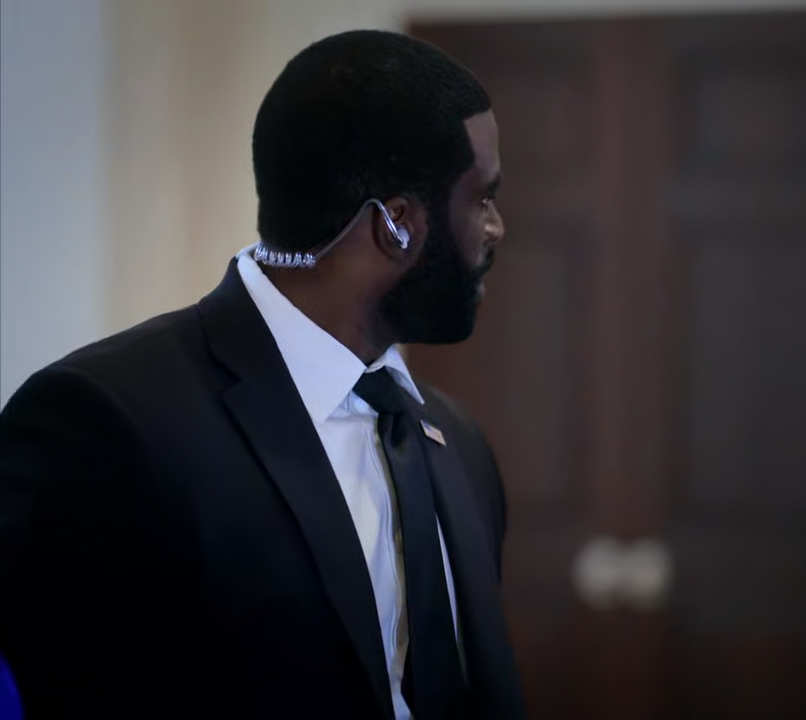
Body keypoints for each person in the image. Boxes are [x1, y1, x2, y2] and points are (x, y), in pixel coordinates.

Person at [0, 29, 525, 719]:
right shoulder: (101, 424)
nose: (496, 228)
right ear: (395, 223)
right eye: (481, 198)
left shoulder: (460, 445)